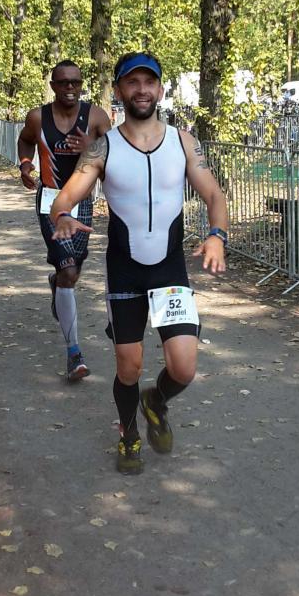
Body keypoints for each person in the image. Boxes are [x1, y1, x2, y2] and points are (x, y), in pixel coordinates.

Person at [50, 52, 228, 474]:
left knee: (184, 367)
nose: (142, 90)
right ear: (119, 90)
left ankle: (156, 401)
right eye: (132, 82)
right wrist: (62, 216)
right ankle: (129, 434)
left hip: (169, 270)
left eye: (149, 82)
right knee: (128, 367)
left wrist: (217, 236)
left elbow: (214, 194)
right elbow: (66, 195)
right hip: (125, 269)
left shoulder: (184, 142)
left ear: (160, 90)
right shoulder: (103, 147)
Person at [17, 60, 111, 381]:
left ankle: (57, 283)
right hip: (50, 200)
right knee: (69, 271)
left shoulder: (96, 117)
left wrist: (93, 147)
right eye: (64, 82)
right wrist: (25, 164)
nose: (70, 88)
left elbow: (117, 153)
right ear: (53, 85)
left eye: (76, 82)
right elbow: (25, 140)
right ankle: (74, 353)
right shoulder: (37, 118)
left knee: (73, 271)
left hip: (83, 201)